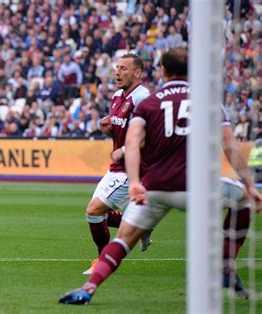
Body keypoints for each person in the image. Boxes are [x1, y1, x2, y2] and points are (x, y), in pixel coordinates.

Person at [59, 48, 262, 305]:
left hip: (155, 186)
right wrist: (250, 185)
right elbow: (229, 145)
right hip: (197, 186)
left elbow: (132, 144)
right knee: (243, 199)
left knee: (122, 242)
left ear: (162, 71)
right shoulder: (208, 100)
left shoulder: (149, 102)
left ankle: (88, 289)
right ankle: (224, 265)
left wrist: (134, 183)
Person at [82, 53, 151, 275]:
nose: (117, 72)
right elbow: (121, 127)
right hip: (117, 167)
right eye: (117, 68)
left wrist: (124, 149)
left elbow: (151, 134)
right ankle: (141, 226)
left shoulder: (143, 98)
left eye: (123, 69)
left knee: (94, 209)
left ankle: (103, 261)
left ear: (138, 73)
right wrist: (108, 127)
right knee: (95, 214)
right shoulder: (117, 96)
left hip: (134, 168)